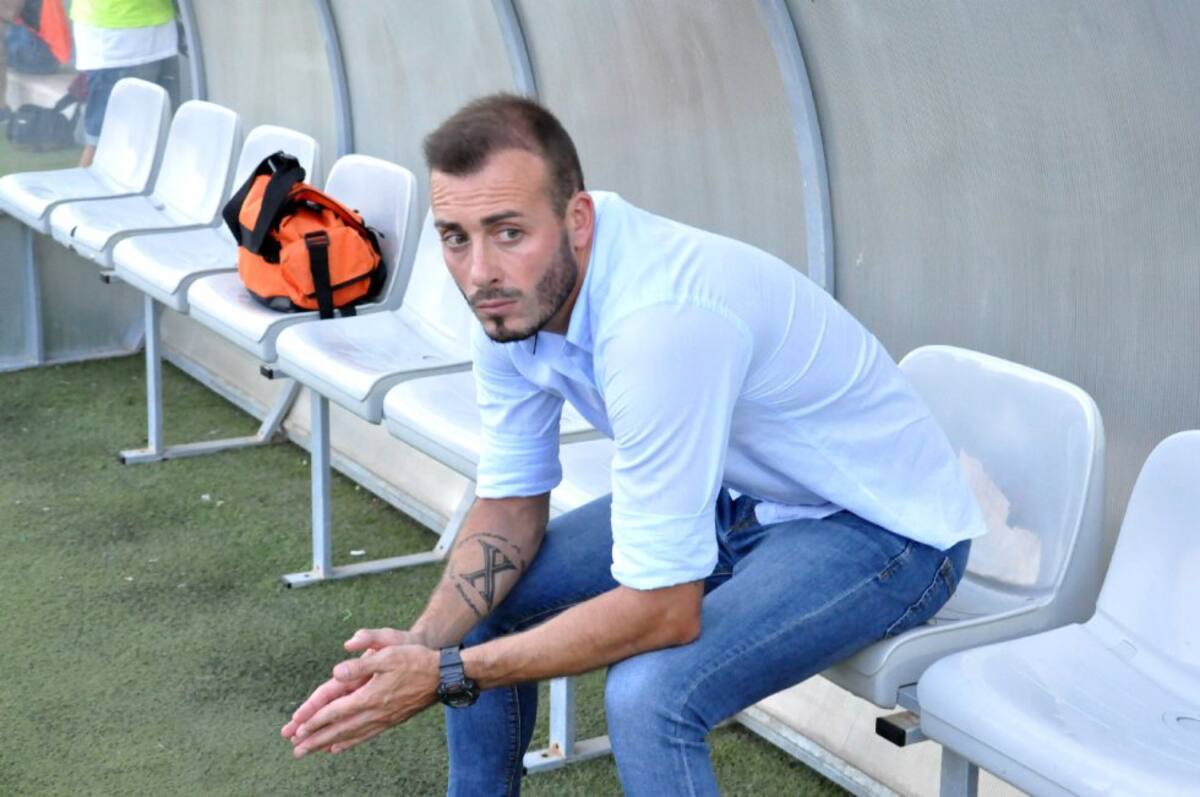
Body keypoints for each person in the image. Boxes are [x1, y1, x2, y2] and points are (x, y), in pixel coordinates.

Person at [282, 94, 987, 796]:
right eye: (455, 237)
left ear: (577, 220)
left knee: (649, 695)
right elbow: (510, 504)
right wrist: (424, 643)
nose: (478, 271)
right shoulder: (508, 300)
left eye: (508, 232)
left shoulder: (660, 321)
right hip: (740, 499)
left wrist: (446, 674)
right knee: (482, 602)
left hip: (882, 531)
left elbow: (664, 609)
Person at [70, 0, 177, 167]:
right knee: (102, 144)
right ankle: (81, 182)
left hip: (144, 32)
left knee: (144, 140)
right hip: (119, 37)